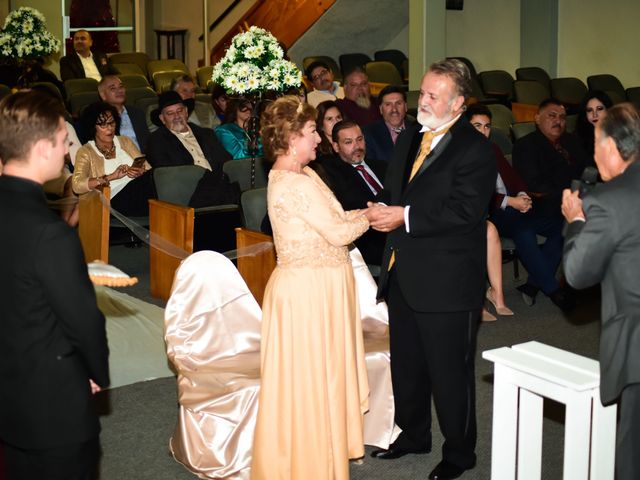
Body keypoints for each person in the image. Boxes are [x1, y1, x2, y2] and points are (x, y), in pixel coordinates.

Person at [367, 59, 495, 480]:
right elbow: (395, 191)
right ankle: (413, 434)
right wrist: (381, 209)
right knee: (408, 365)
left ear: (458, 104)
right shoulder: (410, 139)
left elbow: (465, 211)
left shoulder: (474, 148)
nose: (420, 101)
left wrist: (402, 217)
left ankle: (460, 454)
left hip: (447, 282)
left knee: (450, 373)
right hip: (404, 271)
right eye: (421, 93)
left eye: (432, 96)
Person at [251, 96, 371, 480]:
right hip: (308, 293)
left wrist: (361, 213)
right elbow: (338, 232)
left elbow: (334, 216)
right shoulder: (292, 182)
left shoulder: (305, 173)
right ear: (289, 138)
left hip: (325, 287)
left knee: (326, 374)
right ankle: (311, 460)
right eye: (310, 132)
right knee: (312, 379)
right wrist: (373, 215)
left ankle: (328, 448)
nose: (319, 139)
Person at [0, 90, 110, 479]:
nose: (67, 152)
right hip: (51, 407)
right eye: (64, 141)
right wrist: (96, 373)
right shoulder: (51, 234)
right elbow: (84, 321)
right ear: (43, 146)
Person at [561, 103, 640, 480]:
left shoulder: (606, 202)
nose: (594, 154)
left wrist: (576, 220)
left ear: (610, 145)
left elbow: (577, 274)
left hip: (636, 349)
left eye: (595, 143)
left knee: (632, 456)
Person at [512, 98, 589, 307]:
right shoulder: (525, 145)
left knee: (570, 227)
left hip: (567, 205)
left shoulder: (571, 142)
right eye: (552, 116)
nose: (558, 121)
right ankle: (552, 289)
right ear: (537, 118)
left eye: (563, 117)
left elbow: (587, 172)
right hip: (538, 208)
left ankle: (533, 284)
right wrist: (571, 194)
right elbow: (535, 184)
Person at [465, 103, 522, 320]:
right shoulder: (457, 153)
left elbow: (509, 178)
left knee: (489, 231)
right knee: (481, 232)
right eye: (476, 126)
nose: (482, 131)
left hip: (481, 213)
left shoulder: (490, 149)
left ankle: (496, 295)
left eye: (487, 126)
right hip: (455, 215)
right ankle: (475, 299)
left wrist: (522, 194)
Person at [146, 91, 239, 207]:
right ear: (162, 118)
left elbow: (226, 161)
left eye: (179, 111)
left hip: (219, 185)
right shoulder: (156, 141)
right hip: (188, 189)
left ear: (186, 112)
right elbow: (166, 172)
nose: (176, 116)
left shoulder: (207, 134)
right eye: (170, 113)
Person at [321, 119, 387, 267]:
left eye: (359, 139)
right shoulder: (332, 175)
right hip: (370, 242)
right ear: (336, 147)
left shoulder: (383, 166)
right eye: (348, 142)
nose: (357, 146)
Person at [72, 101, 155, 216]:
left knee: (157, 176)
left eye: (112, 123)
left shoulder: (125, 141)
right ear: (92, 127)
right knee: (156, 181)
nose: (110, 128)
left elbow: (149, 170)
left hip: (140, 193)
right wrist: (111, 177)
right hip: (114, 200)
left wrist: (141, 171)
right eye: (103, 125)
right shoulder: (86, 151)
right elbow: (77, 185)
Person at [95, 75, 149, 152]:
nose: (120, 91)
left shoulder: (137, 113)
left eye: (121, 87)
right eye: (113, 88)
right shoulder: (99, 118)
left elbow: (147, 142)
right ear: (103, 95)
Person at [363, 85, 415, 163]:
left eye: (398, 103)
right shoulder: (368, 134)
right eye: (388, 104)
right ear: (381, 109)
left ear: (406, 107)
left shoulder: (418, 130)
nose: (394, 109)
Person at [575, 90, 613, 156]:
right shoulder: (578, 138)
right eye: (589, 110)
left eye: (599, 109)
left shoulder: (621, 131)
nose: (594, 115)